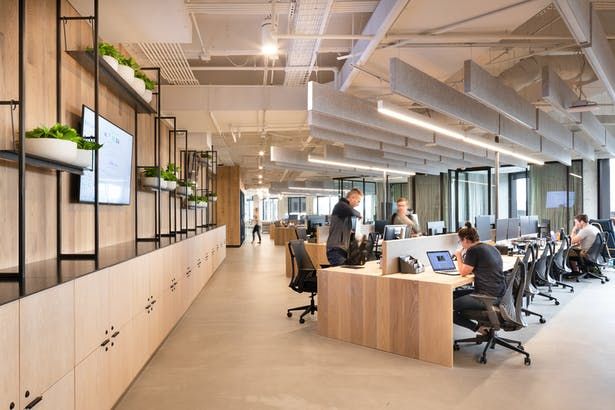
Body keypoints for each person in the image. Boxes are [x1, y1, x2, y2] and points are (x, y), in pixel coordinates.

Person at [453, 222, 506, 335]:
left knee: (446, 305)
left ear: (466, 239)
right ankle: (483, 326)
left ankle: (479, 329)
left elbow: (463, 272)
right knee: (451, 295)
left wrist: (458, 255)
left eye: (460, 241)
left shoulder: (473, 250)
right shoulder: (490, 247)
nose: (461, 245)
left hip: (486, 296)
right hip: (499, 293)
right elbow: (479, 267)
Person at [326, 188, 363, 266]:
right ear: (352, 198)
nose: (358, 204)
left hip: (342, 249)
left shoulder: (345, 210)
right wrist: (359, 215)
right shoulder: (340, 205)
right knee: (342, 273)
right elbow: (352, 212)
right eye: (358, 201)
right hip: (335, 249)